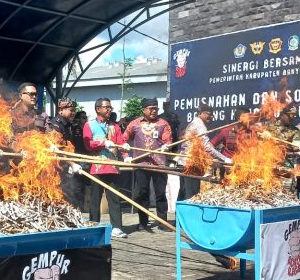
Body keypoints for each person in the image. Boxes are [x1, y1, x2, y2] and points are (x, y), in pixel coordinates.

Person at [122, 98, 172, 232]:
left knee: (160, 194)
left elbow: (168, 140)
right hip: (141, 164)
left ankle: (163, 222)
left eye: (156, 108)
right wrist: (126, 156)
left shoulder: (163, 124)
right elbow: (123, 140)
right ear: (143, 110)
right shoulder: (134, 124)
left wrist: (166, 146)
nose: (154, 111)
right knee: (142, 193)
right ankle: (143, 223)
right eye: (150, 108)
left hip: (159, 164)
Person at [83, 97, 130, 238]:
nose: (109, 110)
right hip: (97, 166)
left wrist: (126, 153)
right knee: (95, 198)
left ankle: (116, 227)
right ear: (98, 109)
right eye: (106, 107)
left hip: (113, 167)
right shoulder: (89, 125)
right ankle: (94, 225)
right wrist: (103, 143)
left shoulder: (115, 126)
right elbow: (88, 144)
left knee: (114, 198)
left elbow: (121, 142)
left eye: (110, 107)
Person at [178, 104, 230, 199]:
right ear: (200, 113)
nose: (210, 117)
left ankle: (181, 214)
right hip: (191, 164)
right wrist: (225, 158)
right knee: (191, 196)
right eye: (208, 114)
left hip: (184, 163)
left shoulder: (194, 123)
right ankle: (190, 214)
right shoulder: (200, 126)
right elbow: (207, 147)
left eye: (212, 114)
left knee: (183, 194)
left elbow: (206, 146)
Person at [49, 97, 85, 209]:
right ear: (61, 110)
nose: (73, 113)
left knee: (73, 194)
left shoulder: (70, 125)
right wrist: (71, 164)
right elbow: (57, 150)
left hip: (68, 165)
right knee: (62, 196)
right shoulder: (55, 124)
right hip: (58, 168)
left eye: (74, 110)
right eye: (71, 110)